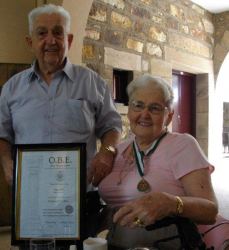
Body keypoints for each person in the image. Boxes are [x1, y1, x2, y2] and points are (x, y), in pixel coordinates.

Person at [98, 74, 226, 249]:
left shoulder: (182, 145)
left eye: (155, 108)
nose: (145, 114)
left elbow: (210, 211)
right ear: (129, 111)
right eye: (138, 105)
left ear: (169, 116)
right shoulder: (118, 150)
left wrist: (172, 203)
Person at [0, 4, 122, 188]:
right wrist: (7, 164)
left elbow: (112, 126)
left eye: (58, 33)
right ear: (30, 41)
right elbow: (3, 133)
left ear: (69, 40)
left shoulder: (93, 83)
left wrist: (107, 151)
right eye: (41, 33)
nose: (51, 41)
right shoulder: (12, 88)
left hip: (81, 193)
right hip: (31, 192)